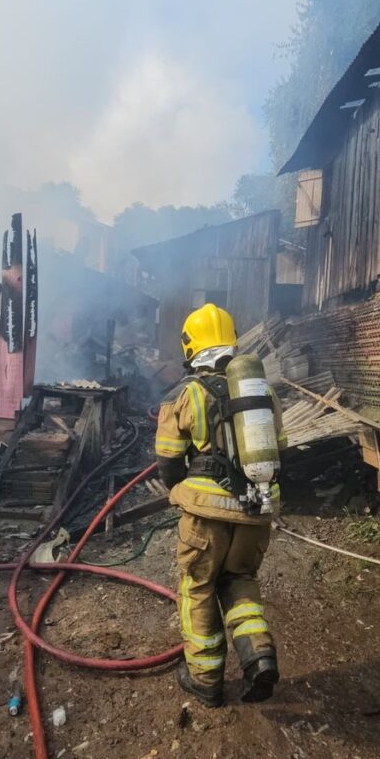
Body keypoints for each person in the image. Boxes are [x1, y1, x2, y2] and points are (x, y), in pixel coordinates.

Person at [154, 303, 287, 708]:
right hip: (256, 510)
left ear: (191, 347)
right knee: (240, 580)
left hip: (206, 517)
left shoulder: (186, 393)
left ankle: (205, 679)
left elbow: (167, 457)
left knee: (198, 588)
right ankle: (259, 657)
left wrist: (179, 491)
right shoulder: (261, 390)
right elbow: (280, 450)